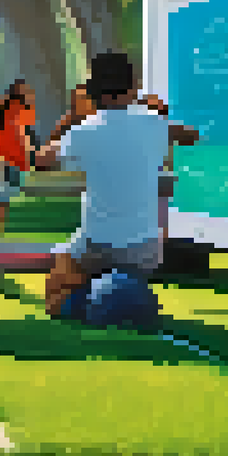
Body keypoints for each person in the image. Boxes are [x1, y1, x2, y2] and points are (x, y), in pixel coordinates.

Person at [33, 52, 201, 318]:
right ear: (133, 86)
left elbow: (41, 160)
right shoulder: (156, 125)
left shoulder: (83, 130)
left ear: (93, 92)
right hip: (145, 249)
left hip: (95, 245)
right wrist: (148, 106)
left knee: (54, 296)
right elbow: (191, 135)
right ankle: (113, 296)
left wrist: (71, 117)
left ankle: (94, 302)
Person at [0, 80, 36, 250]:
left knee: (5, 199)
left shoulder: (3, 107)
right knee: (6, 195)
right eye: (26, 91)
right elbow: (26, 129)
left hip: (6, 157)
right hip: (14, 158)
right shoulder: (19, 108)